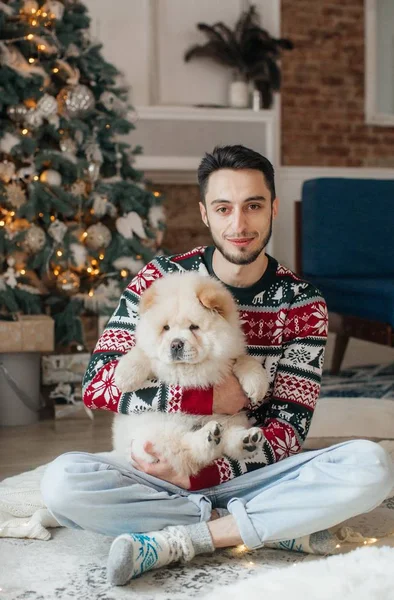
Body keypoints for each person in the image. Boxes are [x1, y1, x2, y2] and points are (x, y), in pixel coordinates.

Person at [41, 145, 394, 586]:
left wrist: (208, 471)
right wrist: (207, 397)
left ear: (274, 208)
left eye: (253, 206)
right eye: (224, 208)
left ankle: (186, 538)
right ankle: (262, 527)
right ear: (206, 213)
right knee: (63, 483)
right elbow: (98, 385)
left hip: (248, 472)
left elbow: (289, 429)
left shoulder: (303, 304)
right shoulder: (159, 280)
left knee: (371, 465)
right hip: (158, 469)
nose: (239, 225)